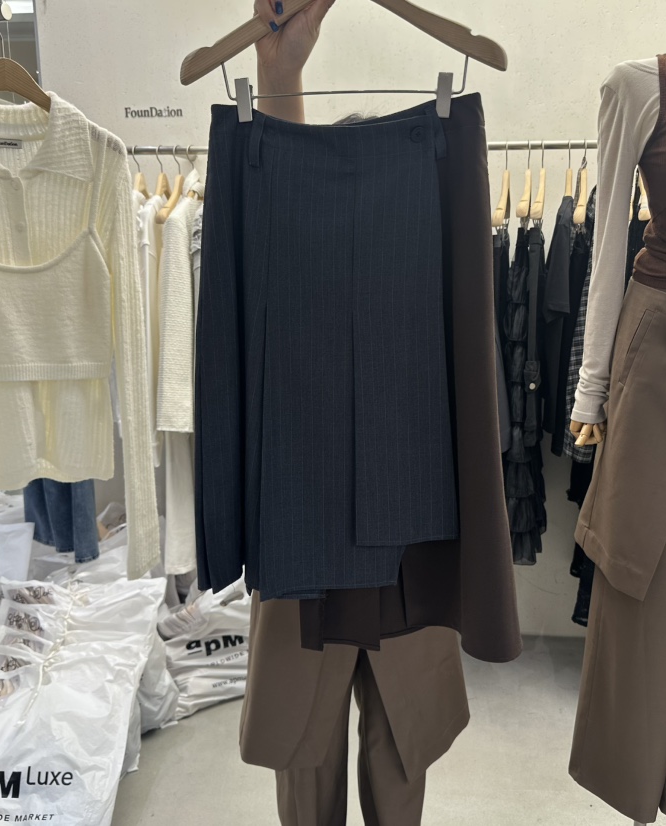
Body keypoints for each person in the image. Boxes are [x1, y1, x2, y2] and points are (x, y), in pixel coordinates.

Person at [234, 3, 472, 825]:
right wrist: (281, 75)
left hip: (407, 559)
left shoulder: (428, 274)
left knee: (401, 758)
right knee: (307, 765)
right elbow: (276, 217)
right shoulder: (299, 281)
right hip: (307, 561)